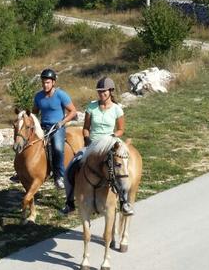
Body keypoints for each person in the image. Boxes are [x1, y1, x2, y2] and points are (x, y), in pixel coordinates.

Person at [63, 76, 133, 215]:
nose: (102, 94)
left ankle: (124, 202)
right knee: (71, 167)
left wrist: (114, 136)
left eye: (104, 91)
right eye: (100, 91)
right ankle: (70, 201)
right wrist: (87, 138)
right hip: (93, 144)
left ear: (110, 91)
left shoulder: (117, 109)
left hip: (110, 143)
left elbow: (120, 130)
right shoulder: (91, 107)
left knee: (121, 168)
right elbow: (86, 127)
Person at [32, 68, 77, 190]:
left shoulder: (61, 95)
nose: (45, 85)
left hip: (57, 127)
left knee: (57, 148)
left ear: (53, 82)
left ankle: (59, 176)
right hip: (42, 126)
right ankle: (21, 171)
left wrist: (62, 122)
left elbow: (73, 111)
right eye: (43, 82)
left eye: (47, 82)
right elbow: (35, 111)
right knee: (26, 143)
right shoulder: (38, 96)